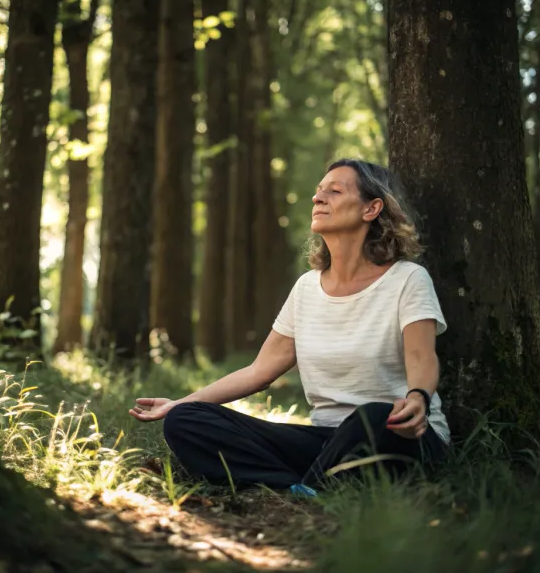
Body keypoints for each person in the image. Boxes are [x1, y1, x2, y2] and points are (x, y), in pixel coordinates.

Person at [129, 159, 449, 495]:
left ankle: (305, 484)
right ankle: (303, 487)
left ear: (372, 208)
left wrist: (418, 397)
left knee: (371, 418)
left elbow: (421, 356)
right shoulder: (307, 288)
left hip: (397, 435)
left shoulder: (407, 279)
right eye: (318, 192)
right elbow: (259, 372)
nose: (318, 198)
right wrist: (180, 404)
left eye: (334, 191)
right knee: (187, 422)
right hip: (324, 441)